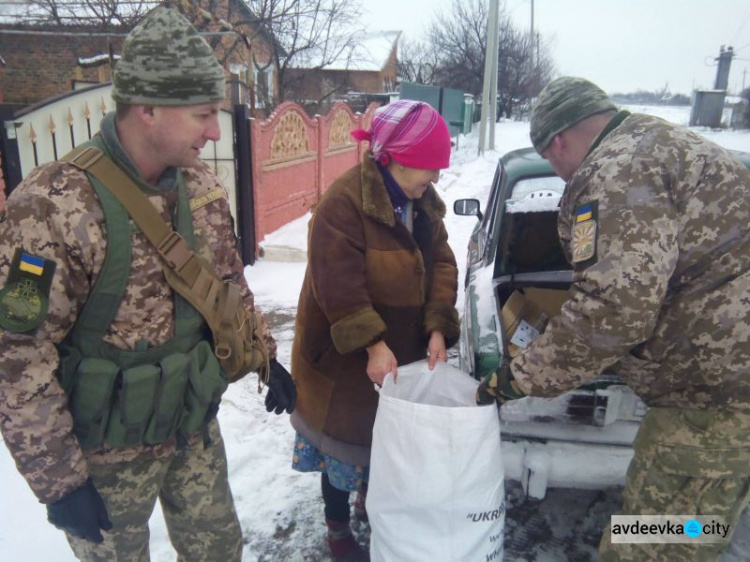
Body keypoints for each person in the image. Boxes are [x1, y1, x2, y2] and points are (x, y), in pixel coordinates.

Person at [0, 7, 296, 561]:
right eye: (203, 114)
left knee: (219, 552)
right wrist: (60, 484)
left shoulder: (201, 186)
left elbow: (228, 288)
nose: (215, 130)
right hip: (108, 453)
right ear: (148, 108)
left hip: (192, 426)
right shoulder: (51, 206)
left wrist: (264, 358)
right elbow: (18, 353)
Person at [477, 76, 750, 560]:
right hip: (724, 393)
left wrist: (519, 377)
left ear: (557, 140)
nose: (559, 173)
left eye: (552, 160)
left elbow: (613, 311)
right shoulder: (663, 142)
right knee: (698, 529)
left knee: (651, 546)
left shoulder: (616, 172)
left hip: (713, 405)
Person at [289, 100, 461, 560]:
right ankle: (338, 528)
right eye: (431, 166)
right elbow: (337, 282)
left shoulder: (422, 204)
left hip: (399, 352)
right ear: (396, 156)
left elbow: (441, 262)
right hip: (343, 361)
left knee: (383, 444)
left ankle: (371, 501)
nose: (436, 179)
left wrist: (438, 325)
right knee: (342, 449)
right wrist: (372, 343)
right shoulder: (343, 205)